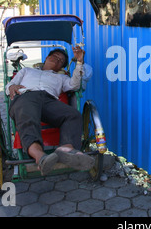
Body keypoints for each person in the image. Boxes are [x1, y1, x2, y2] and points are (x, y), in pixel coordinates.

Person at [6, 46, 94, 176]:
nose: (57, 60)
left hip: (48, 101)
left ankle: (66, 149)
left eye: (61, 61)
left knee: (73, 115)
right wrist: (12, 86)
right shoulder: (26, 71)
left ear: (61, 67)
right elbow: (9, 86)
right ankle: (41, 157)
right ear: (47, 58)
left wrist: (79, 62)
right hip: (26, 96)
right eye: (55, 57)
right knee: (28, 116)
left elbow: (75, 84)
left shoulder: (61, 78)